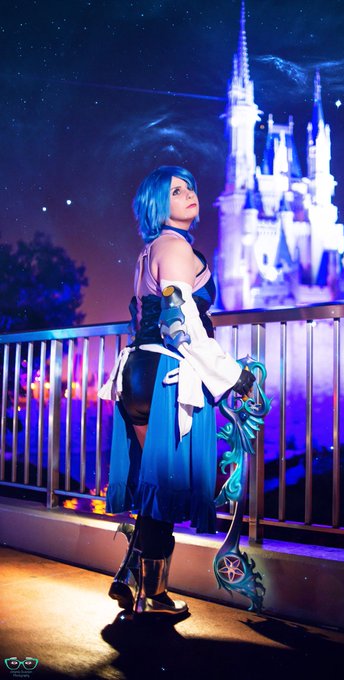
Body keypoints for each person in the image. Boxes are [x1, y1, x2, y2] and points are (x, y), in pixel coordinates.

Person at [99, 165, 255, 618]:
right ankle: (151, 591)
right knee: (162, 486)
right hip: (164, 374)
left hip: (137, 372)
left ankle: (137, 581)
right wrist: (232, 375)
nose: (189, 194)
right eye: (175, 191)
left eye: (189, 187)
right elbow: (179, 324)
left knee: (154, 487)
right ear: (157, 205)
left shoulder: (151, 250)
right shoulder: (176, 248)